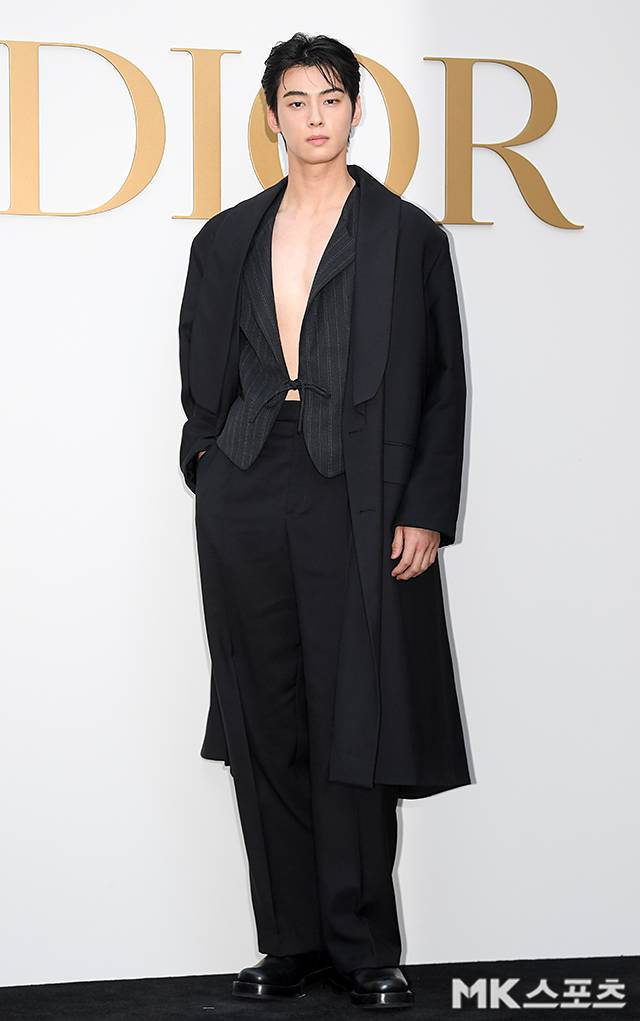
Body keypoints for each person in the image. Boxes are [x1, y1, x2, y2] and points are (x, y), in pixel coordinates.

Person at [179, 31, 471, 1011]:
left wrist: (423, 508)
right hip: (248, 485)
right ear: (271, 116)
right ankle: (290, 942)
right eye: (296, 101)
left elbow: (443, 382)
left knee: (357, 713)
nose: (314, 117)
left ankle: (361, 946)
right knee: (264, 715)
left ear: (355, 110)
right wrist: (207, 460)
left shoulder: (406, 235)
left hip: (359, 489)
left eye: (331, 99)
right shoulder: (226, 238)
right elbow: (200, 367)